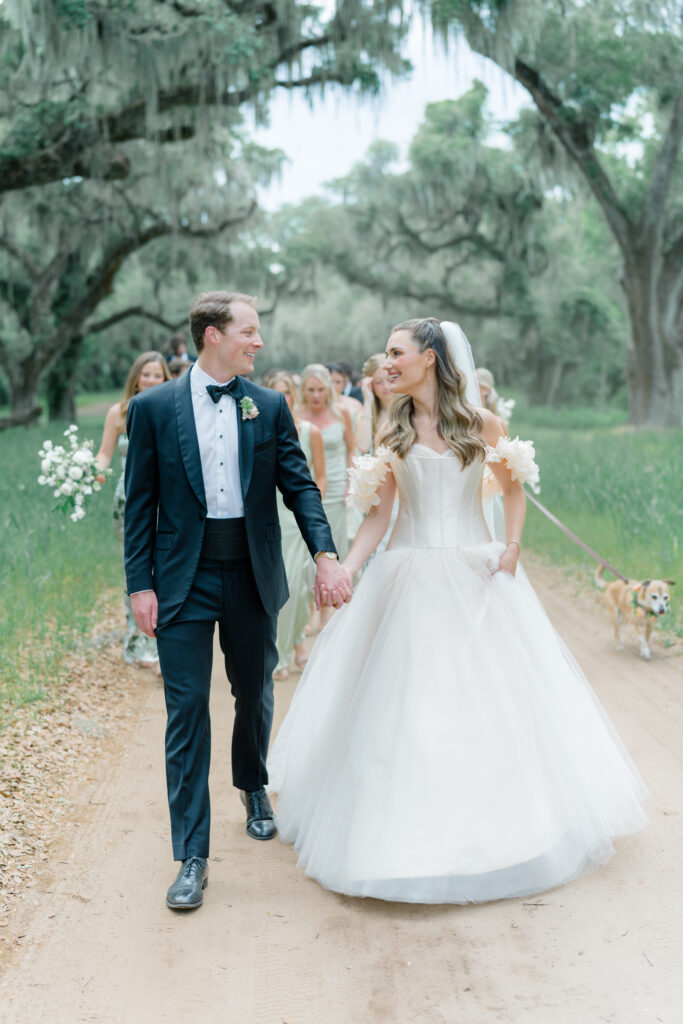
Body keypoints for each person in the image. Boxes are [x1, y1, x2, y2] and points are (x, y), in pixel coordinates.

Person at [268, 317, 647, 905]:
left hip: (476, 570)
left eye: (396, 352)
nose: (386, 361)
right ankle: (392, 840)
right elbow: (379, 515)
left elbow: (512, 491)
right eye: (386, 354)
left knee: (487, 701)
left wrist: (511, 550)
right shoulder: (390, 430)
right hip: (408, 570)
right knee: (405, 703)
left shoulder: (481, 424)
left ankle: (501, 834)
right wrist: (346, 565)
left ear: (431, 359)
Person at [123, 291, 352, 912]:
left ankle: (253, 782)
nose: (258, 342)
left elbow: (300, 486)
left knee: (253, 688)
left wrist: (326, 552)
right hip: (181, 576)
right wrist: (139, 586)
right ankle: (191, 855)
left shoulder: (269, 406)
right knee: (187, 706)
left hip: (251, 571)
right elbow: (140, 504)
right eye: (248, 331)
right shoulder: (152, 408)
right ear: (212, 335)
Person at [94, 351, 171, 668]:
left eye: (158, 374)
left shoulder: (172, 409)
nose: (152, 380)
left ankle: (162, 637)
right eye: (147, 374)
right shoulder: (119, 412)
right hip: (127, 498)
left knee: (163, 566)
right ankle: (136, 640)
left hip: (165, 498)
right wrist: (89, 471)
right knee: (135, 567)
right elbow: (104, 455)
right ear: (136, 377)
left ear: (166, 378)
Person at [268, 371, 327, 680]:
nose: (283, 398)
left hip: (295, 518)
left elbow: (320, 476)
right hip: (269, 513)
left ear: (293, 396)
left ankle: (288, 650)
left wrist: (312, 510)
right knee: (273, 587)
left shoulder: (309, 431)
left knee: (293, 585)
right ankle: (283, 649)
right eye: (277, 392)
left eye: (287, 393)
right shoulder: (258, 425)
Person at [297, 363, 355, 573]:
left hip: (337, 484)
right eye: (311, 390)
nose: (316, 395)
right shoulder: (296, 414)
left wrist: (351, 482)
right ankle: (310, 595)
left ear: (328, 389)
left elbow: (351, 449)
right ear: (303, 390)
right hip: (306, 483)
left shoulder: (342, 413)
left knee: (335, 539)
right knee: (307, 541)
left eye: (321, 389)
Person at [356, 353, 393, 454]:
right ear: (369, 384)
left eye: (389, 379)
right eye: (378, 382)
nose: (385, 386)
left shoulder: (411, 408)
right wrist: (367, 401)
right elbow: (363, 447)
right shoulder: (366, 414)